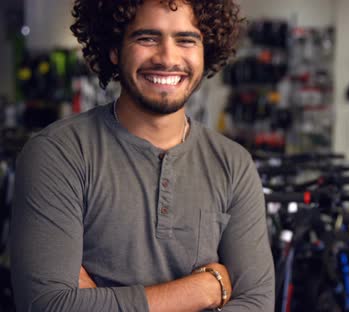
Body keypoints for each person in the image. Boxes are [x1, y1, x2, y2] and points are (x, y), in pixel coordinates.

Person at [10, 0, 274, 311]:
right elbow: (49, 306)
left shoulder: (234, 164)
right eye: (147, 38)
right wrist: (204, 289)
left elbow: (257, 303)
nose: (167, 57)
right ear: (114, 49)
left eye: (186, 40)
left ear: (206, 51)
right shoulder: (59, 154)